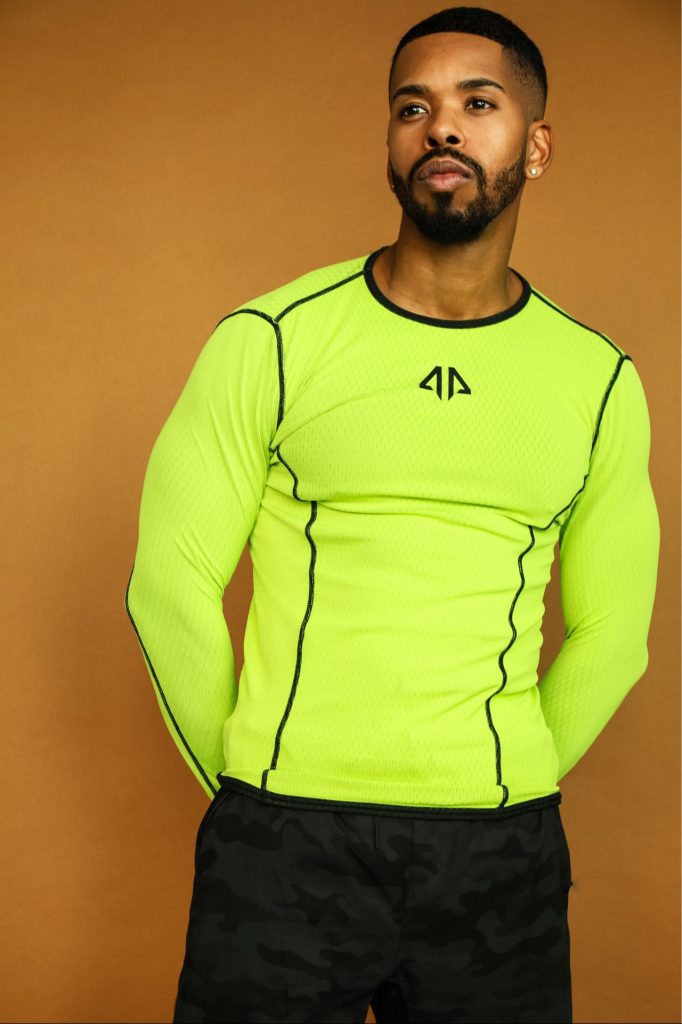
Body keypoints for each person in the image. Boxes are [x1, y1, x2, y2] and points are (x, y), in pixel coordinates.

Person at [124, 6, 660, 1022]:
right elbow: (169, 585)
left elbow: (612, 631)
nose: (440, 126)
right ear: (390, 142)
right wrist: (251, 786)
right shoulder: (270, 339)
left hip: (499, 849)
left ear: (536, 145)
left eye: (478, 103)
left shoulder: (597, 380)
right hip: (283, 834)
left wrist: (507, 780)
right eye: (413, 107)